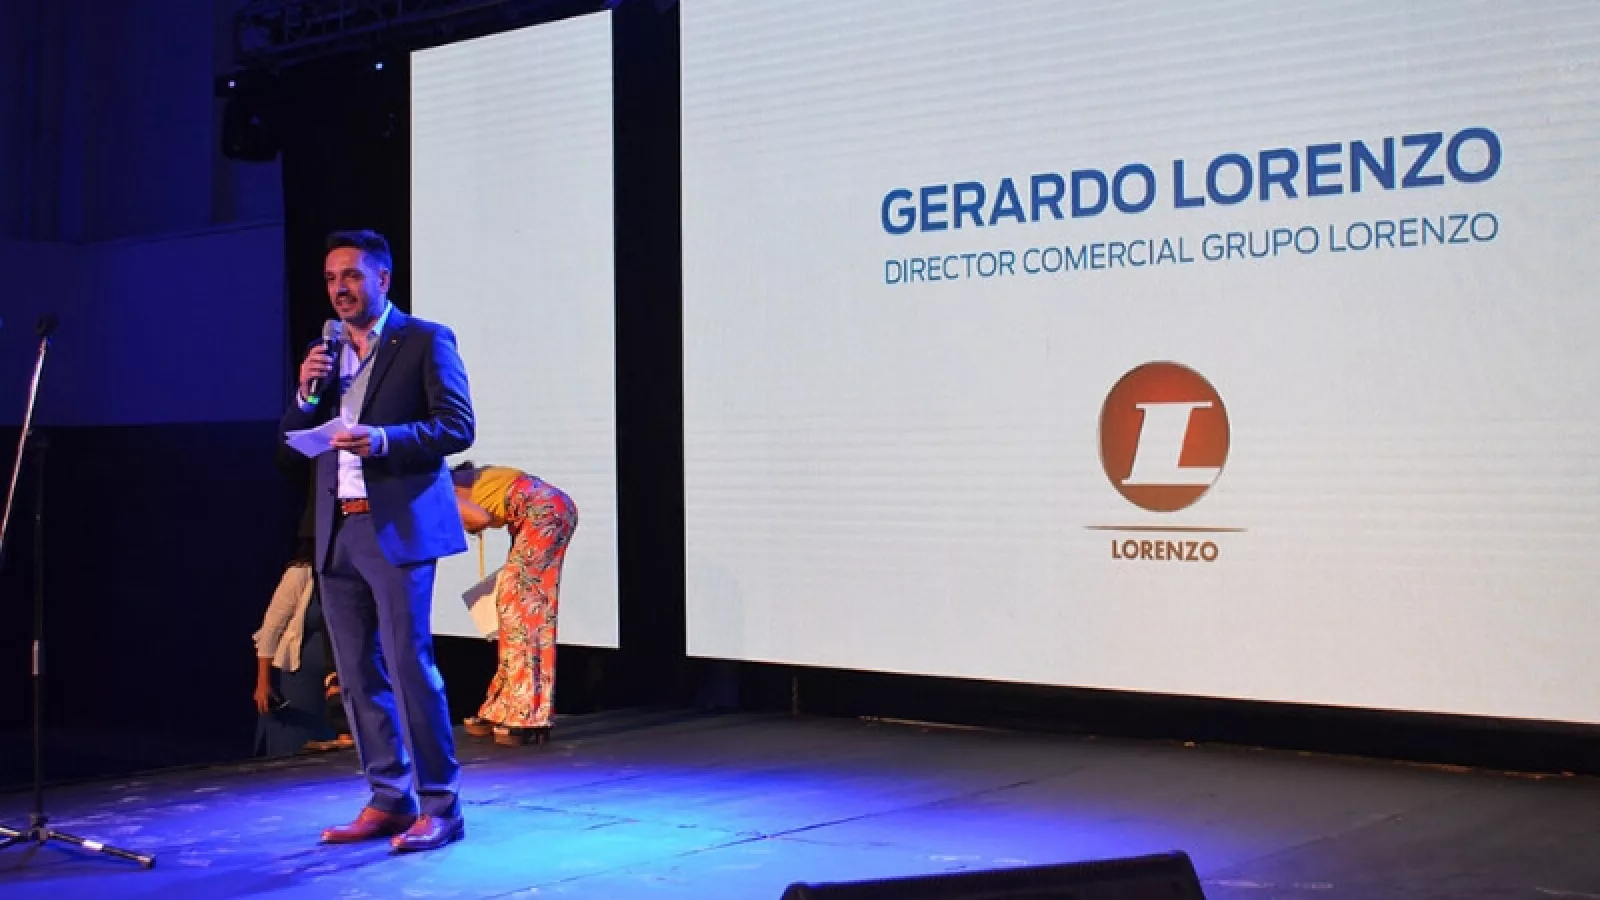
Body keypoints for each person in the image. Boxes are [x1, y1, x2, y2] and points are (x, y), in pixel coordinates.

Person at [280, 229, 475, 853]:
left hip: (396, 526)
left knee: (408, 666)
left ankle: (441, 805)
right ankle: (390, 797)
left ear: (382, 279)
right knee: (357, 673)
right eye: (331, 278)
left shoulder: (425, 340)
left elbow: (457, 426)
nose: (340, 289)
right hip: (337, 527)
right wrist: (306, 391)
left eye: (352, 276)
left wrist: (385, 440)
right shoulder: (325, 350)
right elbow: (294, 431)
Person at [450, 462, 577, 746]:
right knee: (514, 612)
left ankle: (527, 715)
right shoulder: (454, 480)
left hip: (543, 513)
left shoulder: (437, 486)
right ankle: (503, 707)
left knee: (523, 615)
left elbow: (479, 518)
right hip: (544, 512)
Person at [251, 538, 349, 755]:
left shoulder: (347, 576)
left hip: (338, 677)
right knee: (297, 741)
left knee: (332, 743)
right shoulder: (300, 574)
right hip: (302, 678)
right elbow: (271, 630)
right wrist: (263, 682)